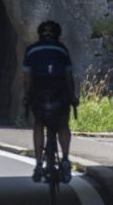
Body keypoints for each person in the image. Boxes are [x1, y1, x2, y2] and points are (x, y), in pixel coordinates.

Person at [23, 20, 78, 184]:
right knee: (62, 124)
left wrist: (27, 95)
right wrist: (72, 96)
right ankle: (65, 159)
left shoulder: (31, 50)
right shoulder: (62, 49)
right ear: (58, 34)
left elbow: (27, 77)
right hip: (59, 90)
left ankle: (39, 164)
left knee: (39, 123)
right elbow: (68, 76)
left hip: (39, 90)